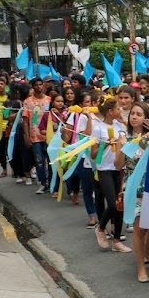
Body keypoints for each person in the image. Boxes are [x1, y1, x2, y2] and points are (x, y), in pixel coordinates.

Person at [115, 102, 149, 283]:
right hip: (133, 185)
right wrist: (120, 147)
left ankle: (146, 251)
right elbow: (118, 165)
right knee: (139, 229)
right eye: (132, 113)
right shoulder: (124, 137)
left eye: (139, 114)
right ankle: (141, 268)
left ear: (146, 118)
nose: (134, 117)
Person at [90, 98, 131, 253]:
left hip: (119, 168)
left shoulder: (120, 126)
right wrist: (107, 143)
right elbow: (93, 155)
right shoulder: (98, 128)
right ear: (110, 111)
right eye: (118, 108)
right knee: (113, 204)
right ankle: (101, 228)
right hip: (104, 169)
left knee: (120, 205)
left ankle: (117, 240)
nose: (120, 110)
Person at [64, 91, 96, 221]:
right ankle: (91, 215)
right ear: (81, 104)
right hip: (83, 154)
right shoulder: (77, 115)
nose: (90, 105)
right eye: (87, 102)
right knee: (85, 184)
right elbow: (83, 136)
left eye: (92, 102)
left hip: (98, 156)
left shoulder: (104, 116)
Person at [24, 78, 51, 191]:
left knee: (50, 160)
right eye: (36, 85)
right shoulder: (28, 102)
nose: (39, 87)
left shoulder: (49, 100)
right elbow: (25, 120)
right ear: (33, 87)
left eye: (41, 84)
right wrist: (26, 136)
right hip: (35, 135)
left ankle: (51, 182)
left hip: (48, 135)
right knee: (39, 160)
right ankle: (43, 182)